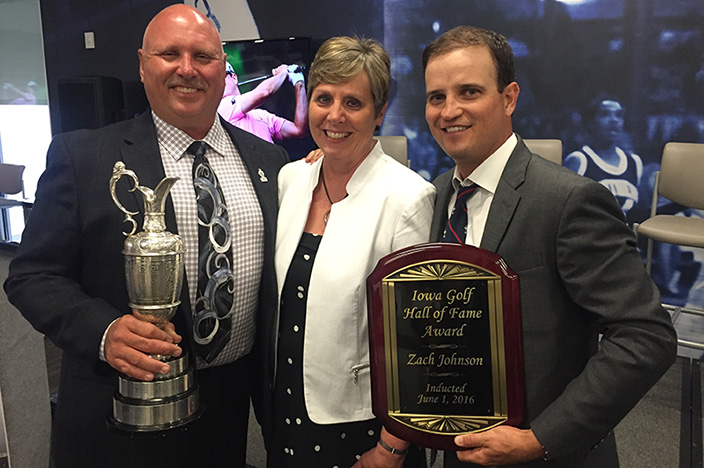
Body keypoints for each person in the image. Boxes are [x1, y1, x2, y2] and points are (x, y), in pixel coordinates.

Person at [3, 5, 288, 468]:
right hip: (117, 416)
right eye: (169, 53)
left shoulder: (270, 163)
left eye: (203, 56)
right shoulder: (84, 158)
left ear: (222, 68)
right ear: (141, 63)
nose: (187, 69)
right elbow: (32, 276)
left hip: (227, 412)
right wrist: (105, 330)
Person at [423, 26, 677, 467]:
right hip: (461, 446)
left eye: (469, 91)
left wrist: (539, 439)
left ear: (509, 98)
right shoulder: (439, 193)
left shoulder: (569, 200)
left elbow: (645, 336)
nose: (450, 110)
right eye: (436, 97)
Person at [255, 36, 435, 468]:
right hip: (285, 412)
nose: (334, 115)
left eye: (352, 102)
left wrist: (392, 448)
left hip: (363, 426)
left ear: (379, 113)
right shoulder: (290, 180)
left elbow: (417, 340)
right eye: (324, 98)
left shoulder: (408, 198)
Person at [563, 97, 643, 223]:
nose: (614, 120)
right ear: (590, 122)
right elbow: (563, 213)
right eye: (605, 114)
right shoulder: (579, 160)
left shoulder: (634, 163)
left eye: (619, 115)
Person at [217, 61, 308, 143]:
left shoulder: (261, 115)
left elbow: (298, 130)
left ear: (234, 78)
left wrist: (299, 83)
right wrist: (282, 73)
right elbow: (265, 92)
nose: (218, 84)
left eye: (221, 77)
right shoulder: (220, 109)